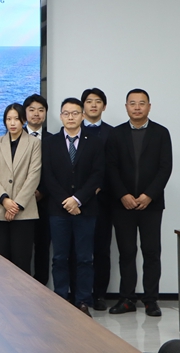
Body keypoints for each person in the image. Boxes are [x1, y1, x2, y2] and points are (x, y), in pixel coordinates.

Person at [107, 89, 172, 317]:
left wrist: (149, 195)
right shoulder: (116, 134)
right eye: (132, 103)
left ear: (149, 107)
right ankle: (127, 299)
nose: (137, 107)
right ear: (126, 106)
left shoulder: (161, 133)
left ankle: (151, 300)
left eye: (141, 103)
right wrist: (122, 194)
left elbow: (165, 167)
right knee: (126, 252)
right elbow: (111, 167)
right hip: (122, 205)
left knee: (151, 252)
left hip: (151, 205)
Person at [41, 98, 104, 317]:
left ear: (83, 116)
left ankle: (83, 301)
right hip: (58, 210)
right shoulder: (50, 142)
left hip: (86, 209)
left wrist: (77, 200)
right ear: (60, 116)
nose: (70, 117)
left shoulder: (94, 142)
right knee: (59, 257)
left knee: (85, 258)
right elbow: (48, 176)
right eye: (66, 113)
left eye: (75, 113)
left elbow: (97, 174)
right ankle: (60, 298)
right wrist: (67, 201)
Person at [0, 103, 41, 273]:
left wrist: (16, 205)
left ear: (23, 120)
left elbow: (34, 175)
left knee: (21, 260)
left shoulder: (34, 143)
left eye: (16, 118)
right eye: (8, 119)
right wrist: (4, 200)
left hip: (24, 211)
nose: (12, 123)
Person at [80, 87, 115, 311]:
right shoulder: (72, 130)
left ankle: (100, 294)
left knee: (101, 249)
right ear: (82, 106)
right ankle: (79, 295)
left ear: (104, 106)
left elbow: (115, 166)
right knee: (78, 251)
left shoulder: (113, 133)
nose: (93, 105)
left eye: (98, 101)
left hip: (103, 200)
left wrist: (100, 187)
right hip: (77, 201)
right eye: (89, 101)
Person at [23, 93, 52, 285]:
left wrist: (41, 191)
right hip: (20, 202)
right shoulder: (15, 137)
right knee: (22, 248)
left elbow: (54, 171)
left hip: (45, 201)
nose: (36, 114)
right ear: (24, 113)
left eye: (41, 110)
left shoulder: (53, 140)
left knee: (43, 246)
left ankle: (42, 286)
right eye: (32, 110)